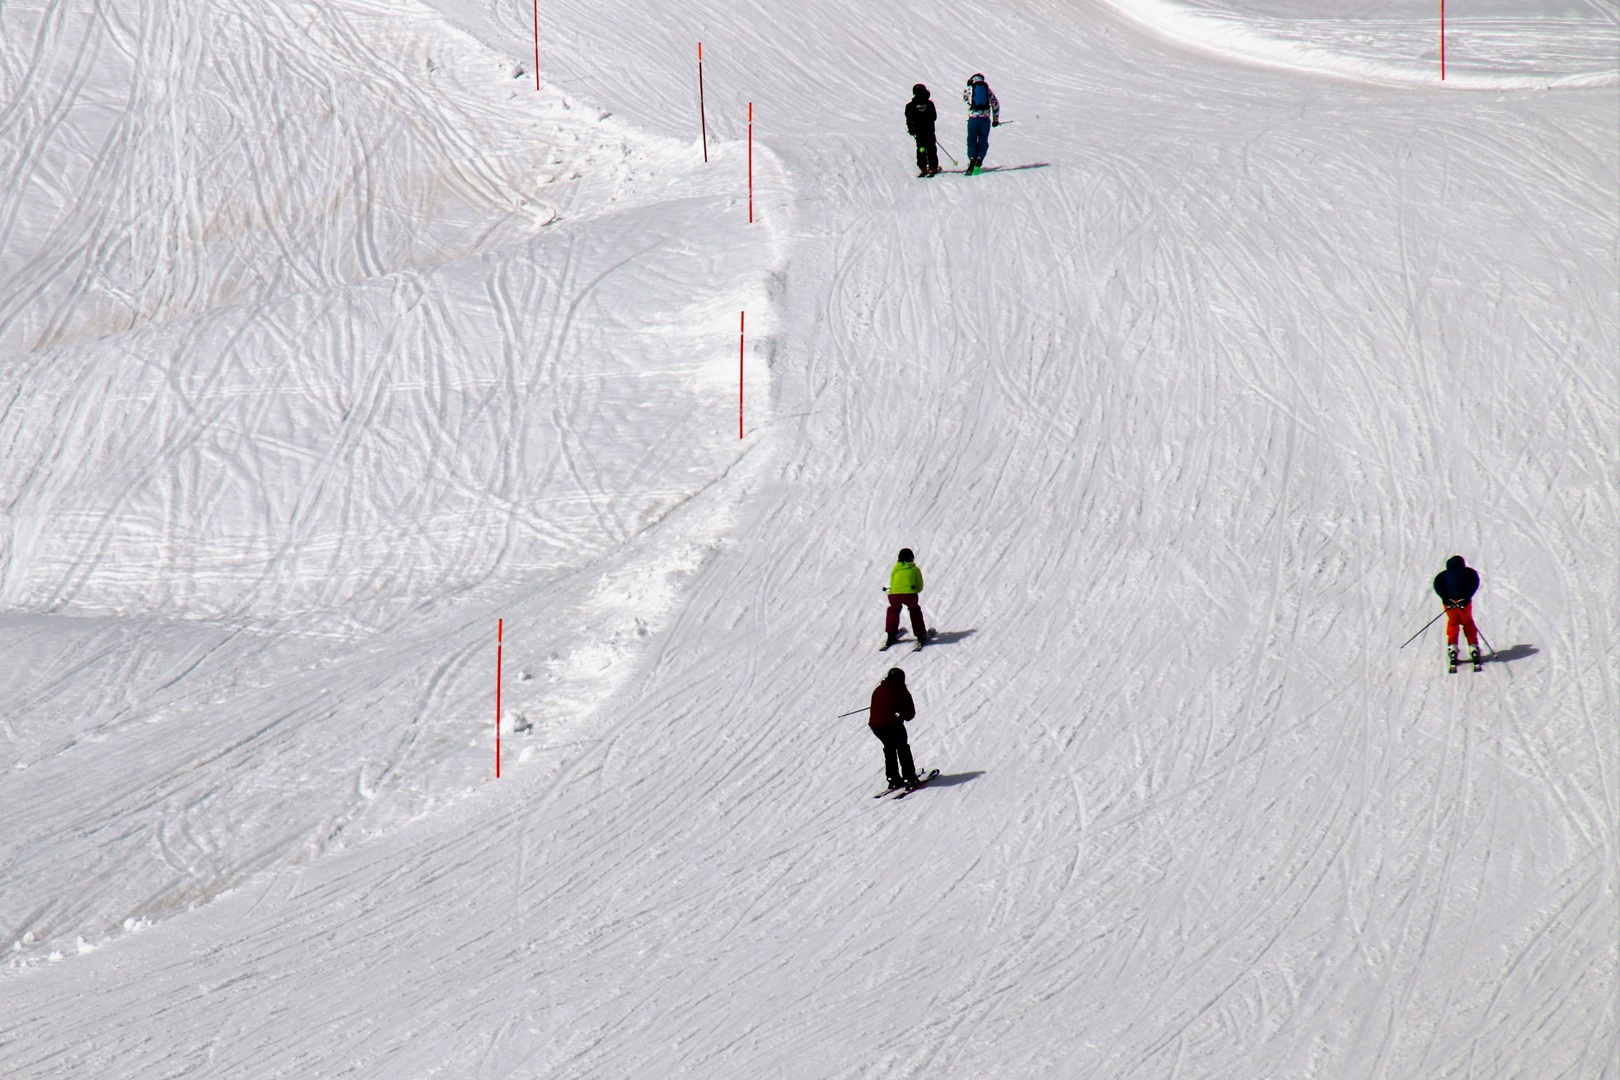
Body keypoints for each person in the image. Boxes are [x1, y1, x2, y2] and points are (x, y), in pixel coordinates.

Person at [869, 667, 920, 789]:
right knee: (903, 749)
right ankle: (910, 778)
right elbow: (910, 715)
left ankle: (893, 778)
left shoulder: (879, 689)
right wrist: (901, 712)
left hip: (876, 727)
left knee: (889, 748)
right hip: (892, 725)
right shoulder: (901, 690)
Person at [1433, 555, 1481, 667]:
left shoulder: (1442, 575)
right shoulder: (1469, 572)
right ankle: (1473, 647)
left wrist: (1445, 598)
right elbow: (1474, 582)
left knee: (1453, 623)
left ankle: (1452, 649)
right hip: (1464, 603)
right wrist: (1466, 597)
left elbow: (1437, 585)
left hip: (1449, 604)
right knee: (1468, 623)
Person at [884, 548, 929, 649]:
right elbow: (920, 586)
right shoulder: (914, 569)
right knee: (914, 610)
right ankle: (920, 634)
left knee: (893, 610)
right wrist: (914, 589)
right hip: (909, 595)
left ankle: (891, 635)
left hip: (894, 595)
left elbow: (892, 583)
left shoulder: (895, 569)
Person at [962, 73, 1000, 175]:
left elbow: (965, 98)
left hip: (973, 119)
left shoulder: (970, 89)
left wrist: (968, 86)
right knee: (983, 140)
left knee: (972, 140)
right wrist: (995, 119)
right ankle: (979, 159)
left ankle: (971, 159)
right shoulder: (987, 90)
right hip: (985, 120)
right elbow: (995, 104)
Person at [904, 84, 940, 177]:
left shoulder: (910, 106)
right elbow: (934, 117)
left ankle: (923, 167)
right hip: (929, 131)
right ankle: (933, 167)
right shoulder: (929, 103)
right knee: (931, 148)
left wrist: (911, 130)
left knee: (921, 149)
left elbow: (909, 119)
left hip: (919, 133)